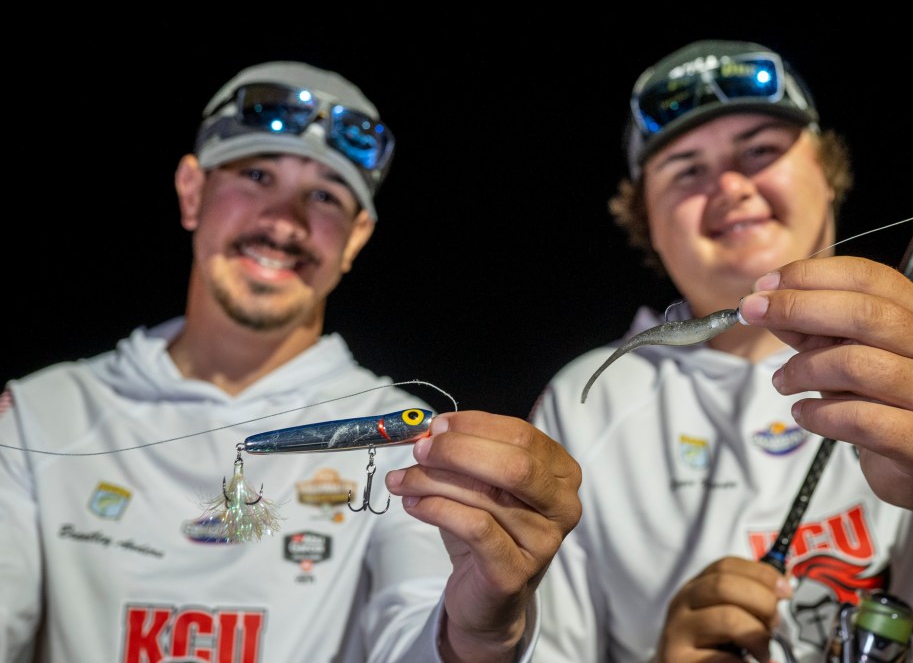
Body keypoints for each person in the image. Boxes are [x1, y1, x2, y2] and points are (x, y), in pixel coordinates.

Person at [0, 60, 582, 663]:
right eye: (257, 174)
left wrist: (482, 631)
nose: (284, 222)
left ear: (356, 236)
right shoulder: (34, 413)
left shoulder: (410, 445)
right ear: (192, 191)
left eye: (325, 196)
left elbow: (416, 632)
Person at [529, 39, 913, 662]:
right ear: (646, 219)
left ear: (828, 172)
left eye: (760, 150)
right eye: (686, 170)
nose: (730, 186)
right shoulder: (583, 408)